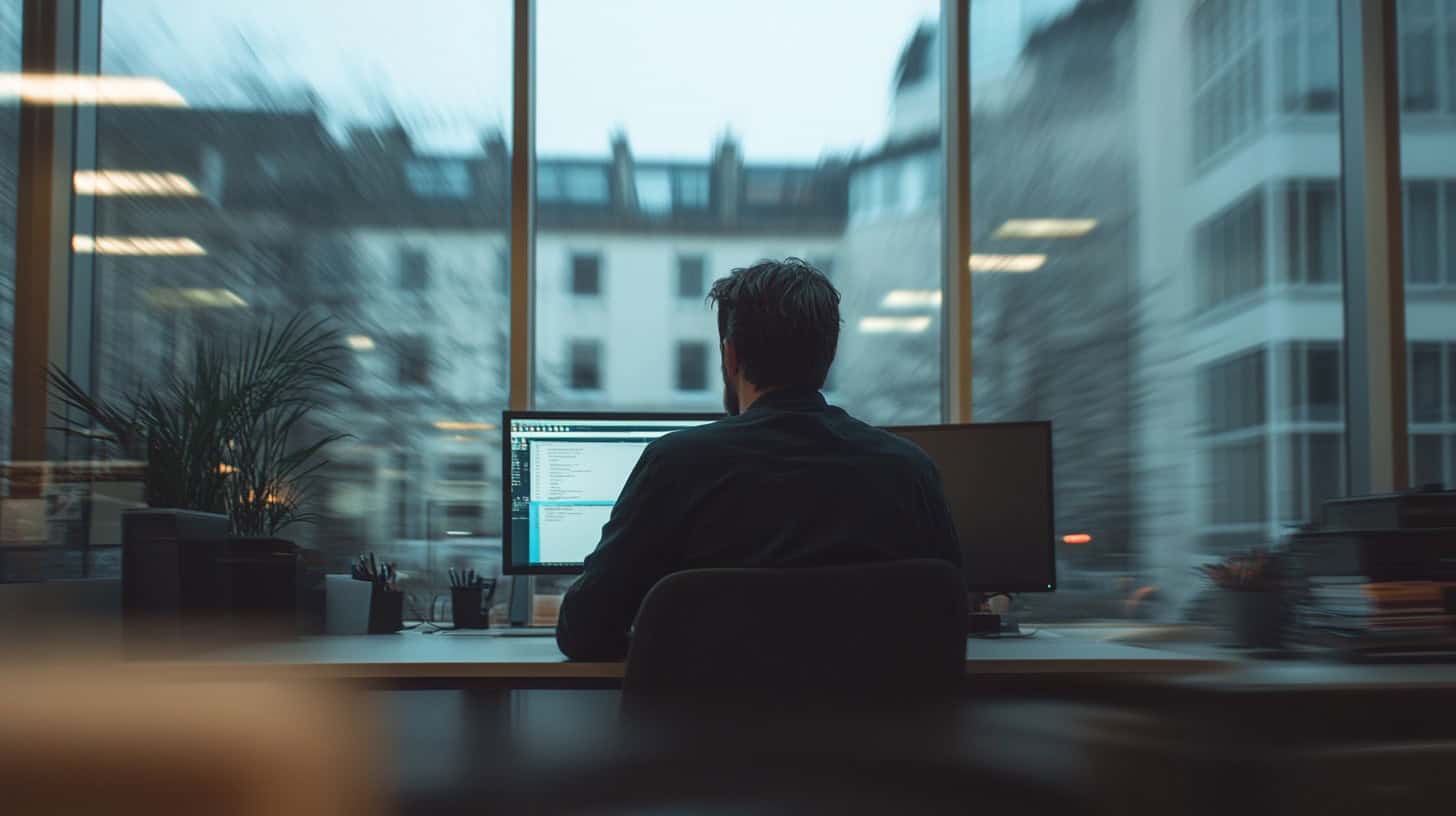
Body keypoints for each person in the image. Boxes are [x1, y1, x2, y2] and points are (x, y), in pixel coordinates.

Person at [555, 258, 961, 661]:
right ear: (830, 355)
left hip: (706, 724)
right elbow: (949, 620)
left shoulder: (676, 464)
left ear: (730, 356)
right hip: (876, 724)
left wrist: (664, 645)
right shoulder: (909, 470)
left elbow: (584, 630)